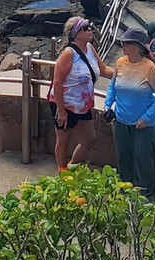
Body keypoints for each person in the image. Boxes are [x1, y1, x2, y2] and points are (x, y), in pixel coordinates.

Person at [105, 26, 155, 198]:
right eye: (123, 43)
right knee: (123, 157)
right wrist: (107, 106)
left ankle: (146, 194)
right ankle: (124, 188)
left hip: (144, 125)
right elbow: (112, 87)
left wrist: (146, 118)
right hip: (121, 120)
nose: (123, 46)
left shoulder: (149, 67)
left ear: (138, 47)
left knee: (143, 159)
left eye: (127, 43)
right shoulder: (120, 63)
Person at [48, 16, 115, 172]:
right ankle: (63, 172)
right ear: (76, 33)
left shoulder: (90, 48)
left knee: (89, 139)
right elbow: (57, 82)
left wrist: (125, 72)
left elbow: (104, 70)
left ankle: (72, 165)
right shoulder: (68, 54)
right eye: (85, 27)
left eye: (89, 25)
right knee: (63, 141)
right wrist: (61, 111)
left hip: (82, 105)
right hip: (66, 104)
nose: (90, 29)